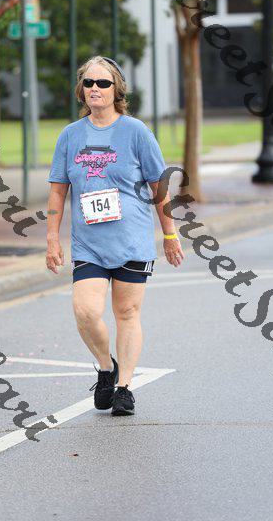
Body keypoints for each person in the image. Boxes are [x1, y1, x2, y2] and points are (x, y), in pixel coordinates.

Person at [46, 55, 184, 416]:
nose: (95, 89)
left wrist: (170, 235)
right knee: (86, 311)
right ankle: (106, 369)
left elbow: (159, 187)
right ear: (81, 90)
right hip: (89, 244)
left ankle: (124, 388)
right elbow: (58, 191)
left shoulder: (136, 132)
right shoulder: (70, 136)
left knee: (127, 312)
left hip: (131, 240)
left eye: (103, 83)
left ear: (116, 90)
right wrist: (51, 238)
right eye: (89, 83)